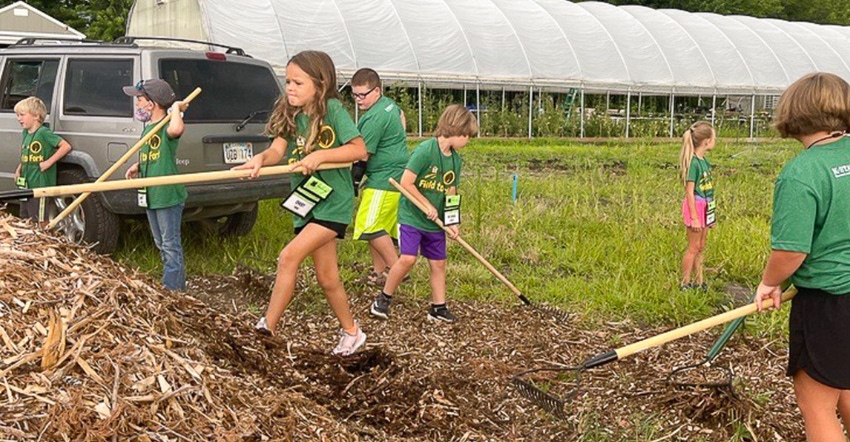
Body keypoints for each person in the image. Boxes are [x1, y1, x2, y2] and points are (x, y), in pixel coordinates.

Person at [235, 50, 368, 356]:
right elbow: (276, 150)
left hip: (333, 202)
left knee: (288, 257)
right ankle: (352, 333)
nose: (290, 88)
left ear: (320, 85)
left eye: (298, 82)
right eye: (288, 81)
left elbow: (358, 150)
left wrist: (320, 155)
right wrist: (260, 160)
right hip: (307, 202)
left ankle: (266, 329)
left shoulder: (332, 109)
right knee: (327, 277)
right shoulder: (291, 112)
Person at [755, 72, 850, 442]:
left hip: (829, 305)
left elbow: (791, 250)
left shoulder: (802, 173)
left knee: (817, 404)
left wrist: (769, 283)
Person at [370, 104, 477, 322]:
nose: (468, 140)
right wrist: (426, 204)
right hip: (412, 217)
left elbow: (451, 192)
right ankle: (383, 299)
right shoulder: (425, 150)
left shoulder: (456, 160)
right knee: (408, 258)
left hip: (434, 223)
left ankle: (438, 308)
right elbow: (406, 183)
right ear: (455, 129)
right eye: (467, 135)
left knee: (438, 263)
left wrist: (453, 222)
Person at [123, 79, 189, 291]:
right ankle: (176, 286)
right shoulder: (149, 128)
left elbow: (177, 130)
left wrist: (176, 108)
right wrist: (139, 165)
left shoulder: (166, 127)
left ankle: (172, 291)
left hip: (167, 194)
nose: (137, 104)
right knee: (161, 244)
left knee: (170, 245)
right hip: (151, 194)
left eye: (140, 99)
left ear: (152, 103)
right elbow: (153, 154)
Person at [349, 68, 409, 286]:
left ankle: (397, 269)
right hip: (395, 176)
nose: (357, 100)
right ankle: (379, 272)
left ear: (376, 90)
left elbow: (362, 154)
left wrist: (353, 180)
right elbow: (402, 118)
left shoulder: (374, 118)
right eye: (354, 95)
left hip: (385, 179)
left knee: (369, 225)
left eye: (362, 95)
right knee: (379, 227)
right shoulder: (390, 105)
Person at [13, 96, 72, 225]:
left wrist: (49, 162)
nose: (19, 119)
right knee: (25, 216)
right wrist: (19, 169)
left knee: (39, 218)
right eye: (17, 115)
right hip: (26, 184)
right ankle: (28, 241)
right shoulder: (25, 133)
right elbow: (25, 154)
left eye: (22, 115)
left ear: (36, 115)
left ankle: (43, 239)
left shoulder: (44, 133)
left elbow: (65, 146)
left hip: (40, 185)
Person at [678, 121, 716, 291]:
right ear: (707, 141)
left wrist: (711, 215)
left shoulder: (705, 162)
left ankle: (699, 281)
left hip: (706, 207)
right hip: (696, 208)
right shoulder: (693, 163)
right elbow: (689, 192)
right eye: (714, 138)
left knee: (701, 246)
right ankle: (685, 283)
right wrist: (694, 217)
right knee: (693, 247)